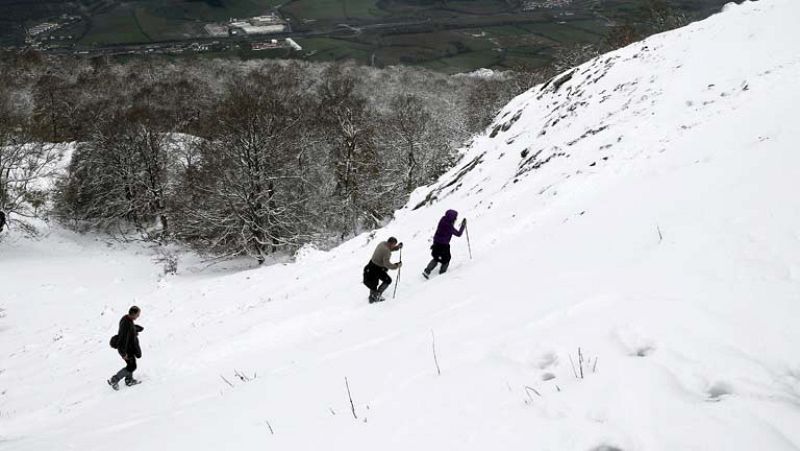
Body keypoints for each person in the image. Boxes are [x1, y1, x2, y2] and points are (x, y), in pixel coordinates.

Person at [107, 306, 143, 390]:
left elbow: (130, 329)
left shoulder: (126, 319)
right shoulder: (126, 324)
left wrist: (137, 329)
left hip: (130, 348)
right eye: (138, 314)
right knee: (132, 366)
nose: (138, 316)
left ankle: (129, 380)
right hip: (127, 350)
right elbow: (123, 340)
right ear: (133, 314)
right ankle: (114, 379)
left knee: (131, 364)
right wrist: (123, 354)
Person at [423, 209, 466, 278]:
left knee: (436, 257)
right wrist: (463, 225)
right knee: (446, 259)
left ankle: (427, 271)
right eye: (455, 218)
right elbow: (458, 234)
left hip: (436, 242)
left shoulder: (443, 219)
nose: (456, 219)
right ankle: (442, 274)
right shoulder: (449, 226)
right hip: (444, 245)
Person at [363, 237, 403, 303]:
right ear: (390, 243)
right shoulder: (387, 251)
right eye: (394, 244)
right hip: (377, 268)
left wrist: (397, 247)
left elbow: (389, 249)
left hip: (371, 264)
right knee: (387, 280)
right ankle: (376, 295)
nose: (394, 245)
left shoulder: (383, 243)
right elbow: (387, 264)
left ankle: (373, 296)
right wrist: (397, 265)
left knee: (374, 282)